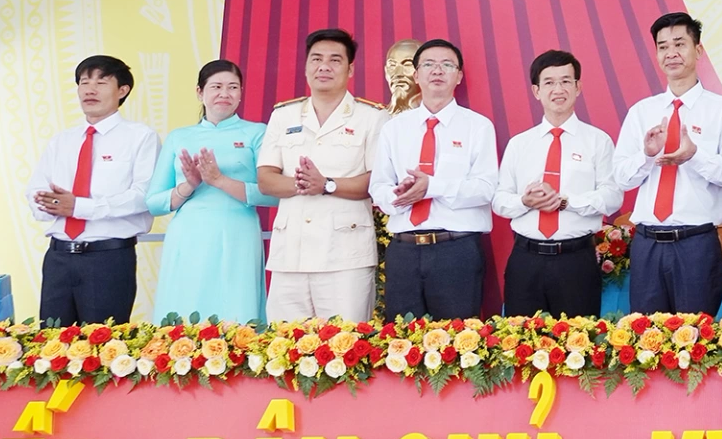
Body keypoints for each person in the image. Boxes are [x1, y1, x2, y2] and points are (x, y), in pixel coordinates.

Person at [614, 11, 722, 314]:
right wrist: (647, 156)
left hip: (695, 244)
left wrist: (693, 156)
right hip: (647, 244)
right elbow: (622, 178)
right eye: (662, 47)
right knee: (646, 342)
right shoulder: (641, 112)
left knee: (694, 342)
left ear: (698, 51)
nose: (671, 53)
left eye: (679, 44)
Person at [256, 28, 387, 323]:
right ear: (305, 67)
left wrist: (326, 185)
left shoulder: (372, 116)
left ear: (350, 69)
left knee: (346, 349)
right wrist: (304, 184)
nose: (324, 67)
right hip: (290, 254)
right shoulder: (284, 115)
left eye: (335, 60)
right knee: (284, 350)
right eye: (316, 59)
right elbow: (266, 178)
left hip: (344, 256)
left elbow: (375, 181)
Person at [370, 38, 499, 320]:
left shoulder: (478, 126)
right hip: (403, 252)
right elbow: (378, 186)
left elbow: (486, 188)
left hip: (456, 251)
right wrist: (400, 194)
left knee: (457, 345)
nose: (437, 71)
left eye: (447, 65)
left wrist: (433, 187)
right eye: (428, 64)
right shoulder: (394, 129)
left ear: (459, 76)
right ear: (416, 75)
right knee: (402, 345)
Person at [27, 55, 159, 325]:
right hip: (58, 258)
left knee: (104, 349)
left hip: (108, 259)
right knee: (51, 350)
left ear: (122, 90)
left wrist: (79, 206)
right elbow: (35, 189)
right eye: (84, 82)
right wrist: (45, 202)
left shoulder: (140, 137)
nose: (90, 89)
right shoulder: (61, 140)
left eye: (101, 81)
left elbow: (143, 196)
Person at [494, 49, 622, 317]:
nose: (558, 89)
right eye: (549, 82)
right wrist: (524, 202)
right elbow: (499, 200)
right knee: (522, 344)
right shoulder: (519, 144)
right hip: (526, 259)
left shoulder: (598, 141)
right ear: (536, 91)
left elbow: (612, 197)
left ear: (578, 87)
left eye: (566, 81)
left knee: (578, 347)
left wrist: (566, 202)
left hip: (576, 260)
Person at [148, 59, 276, 324]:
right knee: (184, 310)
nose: (224, 94)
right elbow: (154, 202)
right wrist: (189, 185)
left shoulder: (258, 133)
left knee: (237, 313)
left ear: (241, 93)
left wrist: (220, 180)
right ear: (199, 92)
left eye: (233, 87)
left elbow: (273, 194)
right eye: (216, 86)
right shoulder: (179, 136)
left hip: (238, 234)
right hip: (189, 235)